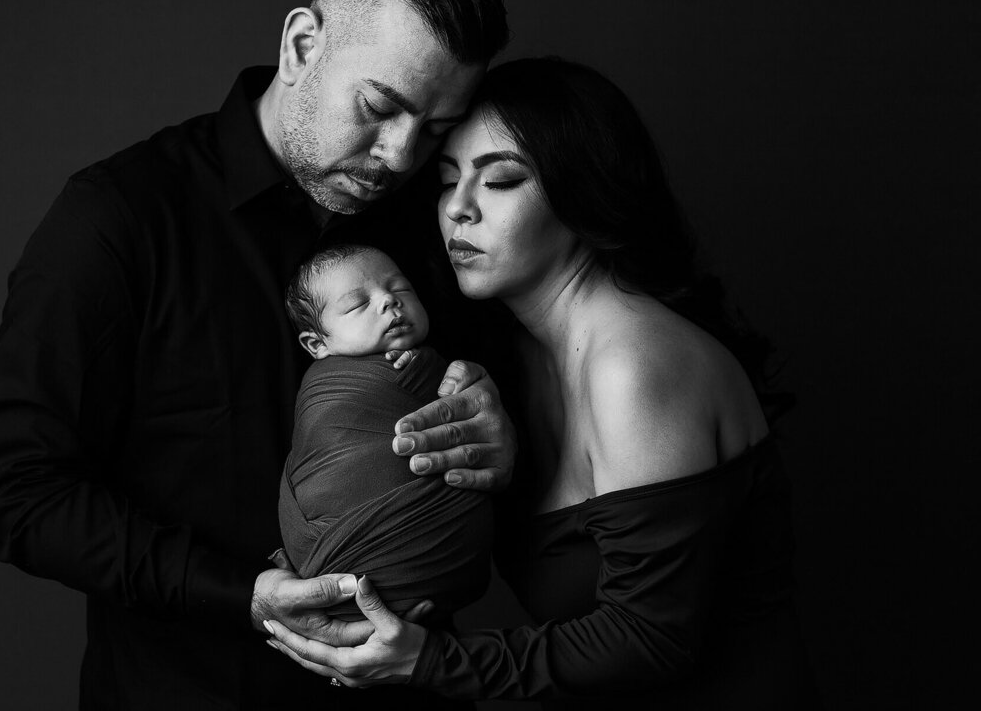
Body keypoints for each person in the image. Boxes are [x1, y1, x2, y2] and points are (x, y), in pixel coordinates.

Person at [0, 0, 516, 710]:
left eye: (432, 130)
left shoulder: (431, 223)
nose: (400, 156)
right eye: (378, 106)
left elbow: (508, 457)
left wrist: (501, 434)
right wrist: (243, 595)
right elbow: (13, 493)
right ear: (301, 46)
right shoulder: (117, 220)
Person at [265, 58, 821, 708]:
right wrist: (318, 584)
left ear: (580, 192)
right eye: (447, 182)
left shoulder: (633, 364)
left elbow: (652, 639)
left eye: (499, 180)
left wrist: (430, 661)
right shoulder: (507, 365)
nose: (459, 210)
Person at [278, 244, 492, 623]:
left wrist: (429, 369)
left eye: (401, 289)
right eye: (358, 304)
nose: (390, 302)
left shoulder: (436, 366)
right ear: (317, 344)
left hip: (432, 555)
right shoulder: (325, 388)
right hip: (343, 568)